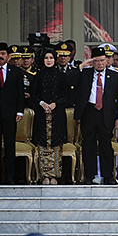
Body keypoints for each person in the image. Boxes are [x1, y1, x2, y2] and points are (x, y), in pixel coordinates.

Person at [75, 46, 118, 185]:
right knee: (88, 144)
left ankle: (108, 176)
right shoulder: (85, 74)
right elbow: (70, 81)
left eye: (102, 60)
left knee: (105, 145)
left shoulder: (115, 76)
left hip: (107, 113)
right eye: (96, 60)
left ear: (107, 60)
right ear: (92, 61)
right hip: (89, 112)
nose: (99, 63)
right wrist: (80, 67)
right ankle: (89, 176)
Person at [29, 48, 71, 185]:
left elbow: (67, 96)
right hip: (42, 115)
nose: (48, 60)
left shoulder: (61, 76)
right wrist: (42, 104)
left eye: (51, 58)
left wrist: (55, 104)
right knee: (43, 146)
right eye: (46, 58)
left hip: (57, 115)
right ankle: (44, 176)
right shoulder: (38, 75)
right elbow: (33, 95)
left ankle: (55, 176)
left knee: (56, 146)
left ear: (55, 59)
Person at [0, 43, 25, 185]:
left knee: (10, 146)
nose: (1, 56)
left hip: (10, 114)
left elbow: (20, 93)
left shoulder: (15, 71)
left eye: (3, 53)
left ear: (8, 56)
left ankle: (10, 176)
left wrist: (20, 111)